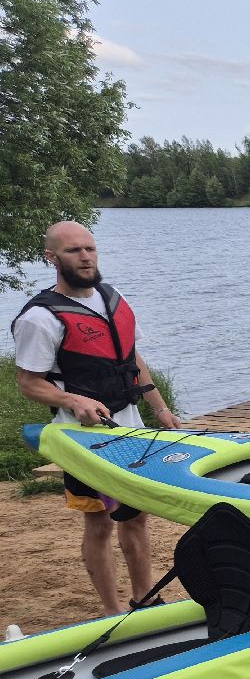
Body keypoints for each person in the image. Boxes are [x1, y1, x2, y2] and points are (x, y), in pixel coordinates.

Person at [11, 221, 182, 617]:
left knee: (135, 517)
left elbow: (132, 359)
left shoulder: (112, 297)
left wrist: (159, 407)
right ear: (51, 258)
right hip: (79, 438)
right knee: (100, 522)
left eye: (89, 248)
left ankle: (146, 598)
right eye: (73, 251)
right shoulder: (39, 318)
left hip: (130, 427)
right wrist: (72, 399)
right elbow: (29, 383)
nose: (85, 257)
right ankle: (110, 612)